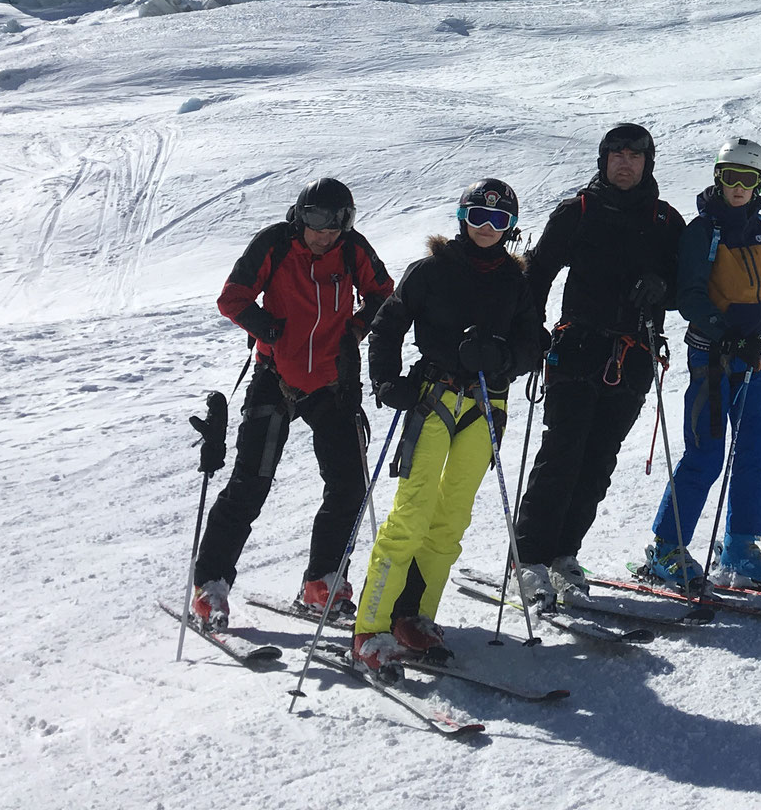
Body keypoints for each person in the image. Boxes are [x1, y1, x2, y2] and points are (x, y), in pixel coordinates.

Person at [348, 179, 539, 674]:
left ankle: (415, 616)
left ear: (511, 228)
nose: (487, 228)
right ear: (461, 218)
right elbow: (387, 327)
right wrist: (388, 383)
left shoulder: (515, 282)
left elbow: (532, 342)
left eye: (499, 221)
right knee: (411, 514)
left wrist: (503, 357)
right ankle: (371, 625)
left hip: (484, 404)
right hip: (432, 399)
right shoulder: (431, 272)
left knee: (450, 519)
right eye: (478, 216)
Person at [190, 178, 394, 629]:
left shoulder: (353, 249)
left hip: (331, 382)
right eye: (315, 222)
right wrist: (268, 328)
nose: (324, 234)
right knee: (251, 483)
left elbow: (384, 295)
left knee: (348, 485)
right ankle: (210, 586)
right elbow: (232, 298)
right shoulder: (274, 244)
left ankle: (323, 582)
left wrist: (355, 331)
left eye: (335, 224)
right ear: (299, 216)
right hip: (274, 380)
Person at [510, 123, 685, 610]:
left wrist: (662, 289)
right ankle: (527, 559)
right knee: (561, 456)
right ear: (604, 159)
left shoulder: (667, 222)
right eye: (616, 154)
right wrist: (532, 333)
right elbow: (538, 272)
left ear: (649, 162)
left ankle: (565, 555)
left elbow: (687, 287)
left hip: (633, 359)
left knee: (598, 462)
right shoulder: (578, 212)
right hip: (576, 350)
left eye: (635, 155)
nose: (625, 163)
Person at [640, 137, 761, 592]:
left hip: (749, 360)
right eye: (730, 176)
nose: (738, 187)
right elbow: (690, 297)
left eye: (747, 178)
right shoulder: (703, 231)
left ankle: (739, 546)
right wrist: (727, 334)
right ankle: (666, 548)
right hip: (712, 359)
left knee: (758, 453)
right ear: (717, 178)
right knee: (705, 454)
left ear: (759, 182)